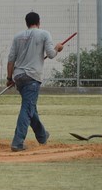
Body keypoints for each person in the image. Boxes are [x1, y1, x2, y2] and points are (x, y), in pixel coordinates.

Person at [6, 12, 64, 152]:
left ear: (26, 23)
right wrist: (58, 48)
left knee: (30, 107)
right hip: (32, 77)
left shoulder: (17, 36)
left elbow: (11, 60)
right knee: (27, 109)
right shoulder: (44, 34)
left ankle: (42, 135)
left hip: (19, 77)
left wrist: (9, 78)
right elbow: (50, 54)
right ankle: (17, 142)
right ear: (39, 22)